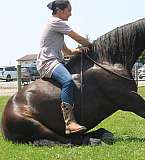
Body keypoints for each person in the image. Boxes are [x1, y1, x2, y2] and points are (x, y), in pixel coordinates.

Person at [37, 0, 92, 134]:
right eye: (69, 10)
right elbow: (77, 37)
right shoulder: (56, 22)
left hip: (56, 61)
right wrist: (92, 45)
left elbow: (67, 52)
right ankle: (69, 123)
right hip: (48, 63)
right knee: (68, 81)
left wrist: (79, 51)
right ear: (60, 11)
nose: (71, 14)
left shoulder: (56, 29)